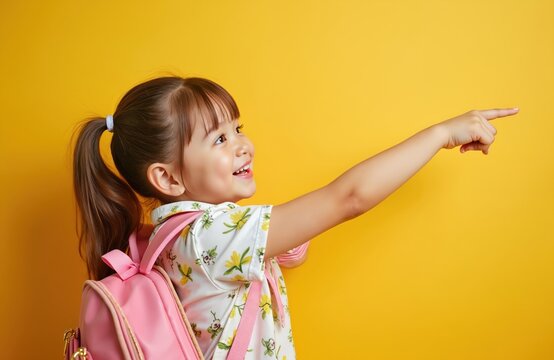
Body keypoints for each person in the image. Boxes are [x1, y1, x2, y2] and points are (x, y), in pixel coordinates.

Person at [72, 76, 519, 359]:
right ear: (168, 178)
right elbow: (350, 198)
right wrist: (441, 133)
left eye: (238, 129)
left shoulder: (179, 236)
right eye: (219, 139)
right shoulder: (210, 236)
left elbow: (294, 253)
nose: (242, 145)